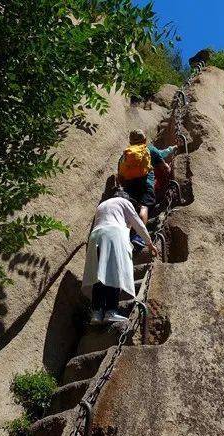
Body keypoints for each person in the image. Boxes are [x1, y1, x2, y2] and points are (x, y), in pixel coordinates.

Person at [82, 190, 159, 324]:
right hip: (113, 235)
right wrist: (149, 243)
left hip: (95, 237)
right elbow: (138, 222)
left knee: (99, 274)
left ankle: (96, 313)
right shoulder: (124, 202)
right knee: (114, 271)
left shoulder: (102, 205)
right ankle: (111, 311)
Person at [117, 129, 177, 248]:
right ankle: (139, 236)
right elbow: (164, 167)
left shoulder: (126, 155)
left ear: (130, 141)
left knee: (130, 209)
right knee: (144, 207)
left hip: (129, 186)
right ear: (144, 140)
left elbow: (120, 175)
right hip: (146, 184)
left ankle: (124, 237)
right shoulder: (150, 149)